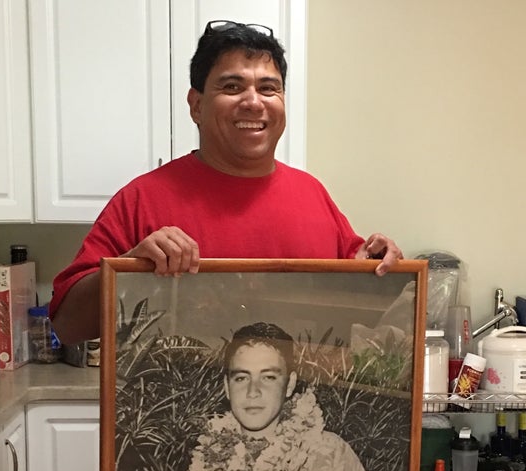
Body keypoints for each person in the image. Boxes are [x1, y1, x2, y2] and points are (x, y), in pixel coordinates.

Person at [50, 21, 403, 344]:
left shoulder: (313, 196)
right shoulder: (141, 199)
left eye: (269, 88)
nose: (253, 102)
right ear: (196, 105)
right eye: (232, 86)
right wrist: (131, 270)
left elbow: (362, 301)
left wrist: (379, 261)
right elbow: (67, 327)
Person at [164, 322, 386, 471]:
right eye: (241, 377)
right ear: (227, 387)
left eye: (268, 377)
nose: (253, 391)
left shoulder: (329, 454)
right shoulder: (206, 461)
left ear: (289, 384)